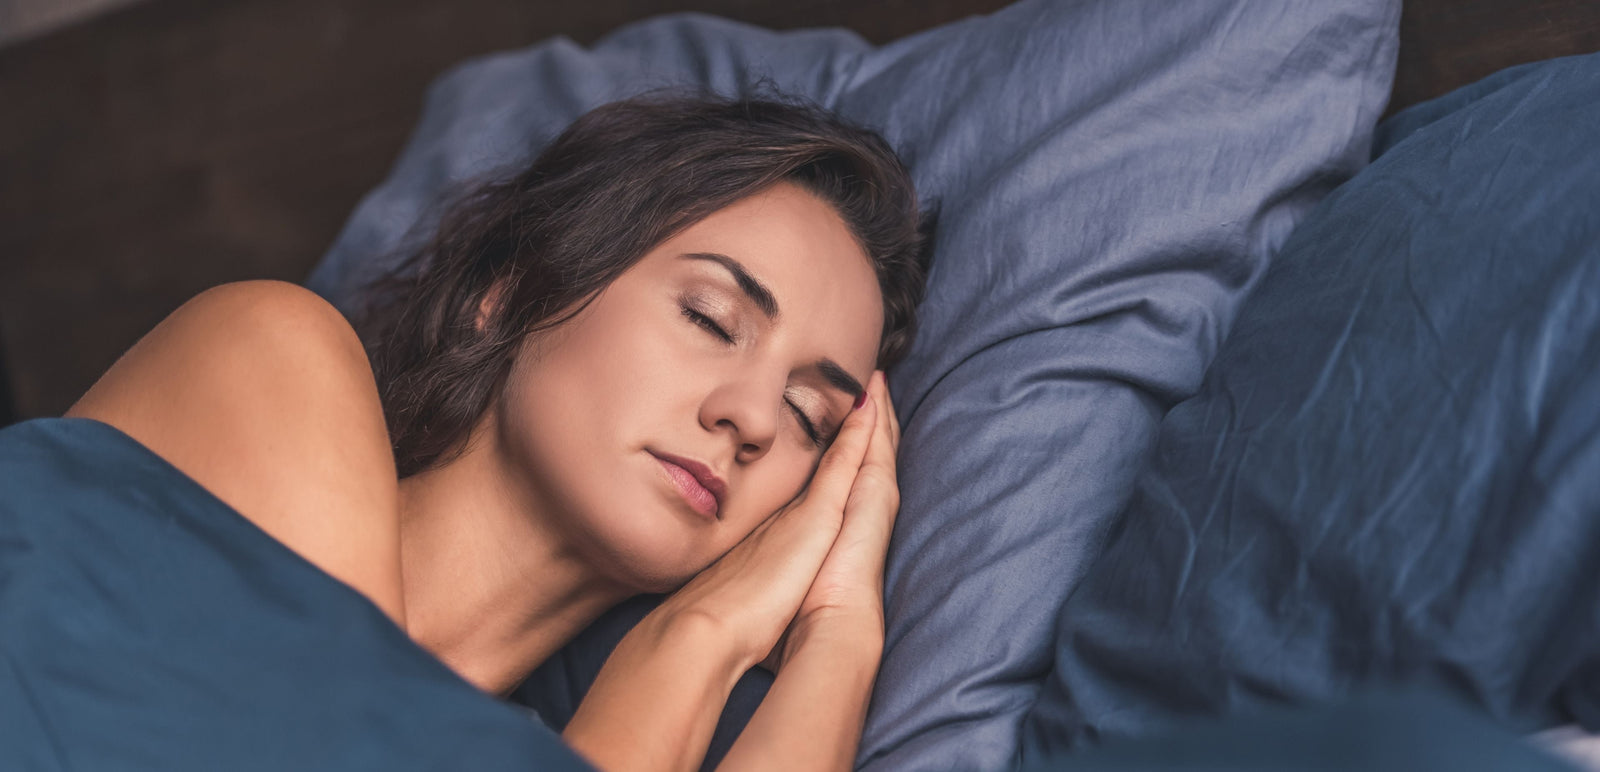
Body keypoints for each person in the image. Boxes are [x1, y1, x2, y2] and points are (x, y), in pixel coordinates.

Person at [62, 93, 931, 770]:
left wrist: (839, 637)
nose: (748, 417)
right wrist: (690, 642)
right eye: (710, 317)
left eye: (808, 417)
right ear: (512, 293)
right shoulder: (271, 358)